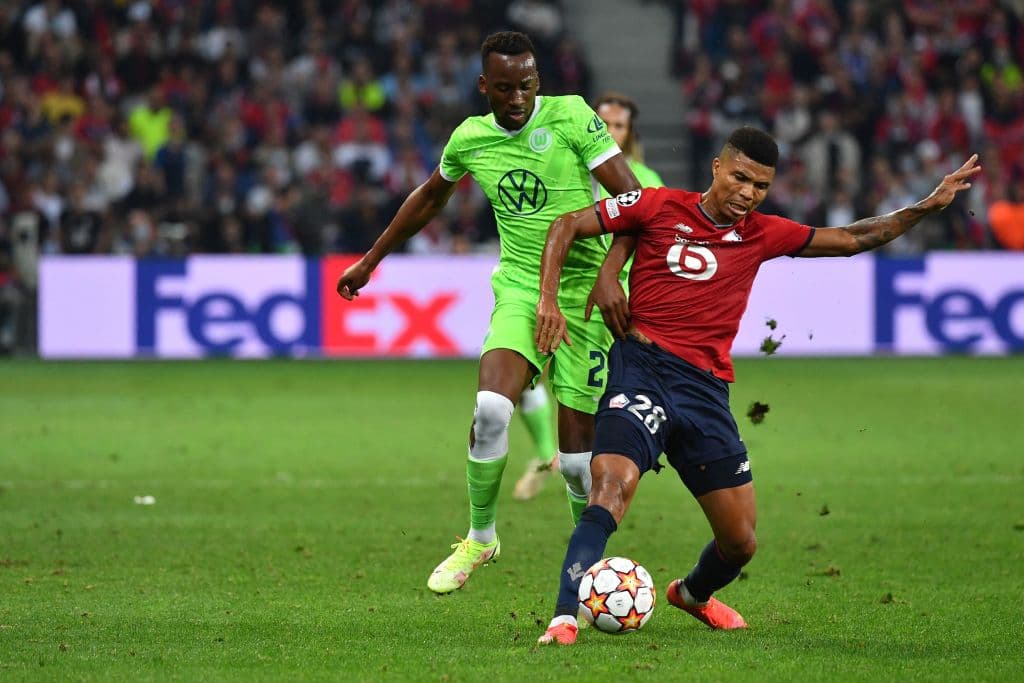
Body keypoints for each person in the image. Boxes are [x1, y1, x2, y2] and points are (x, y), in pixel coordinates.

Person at [532, 127, 980, 644]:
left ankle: (692, 594)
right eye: (741, 178)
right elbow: (565, 225)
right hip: (643, 368)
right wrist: (550, 299)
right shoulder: (657, 205)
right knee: (609, 488)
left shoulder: (762, 232)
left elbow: (855, 238)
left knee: (741, 542)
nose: (747, 193)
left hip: (706, 392)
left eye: (760, 186)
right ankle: (565, 618)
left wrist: (926, 205)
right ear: (717, 169)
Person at [335, 31, 640, 594]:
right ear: (484, 86)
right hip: (524, 288)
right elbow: (429, 197)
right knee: (491, 408)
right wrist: (370, 261)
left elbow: (632, 201)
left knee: (576, 467)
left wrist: (608, 277)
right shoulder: (470, 139)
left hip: (586, 299)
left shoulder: (572, 117)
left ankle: (591, 568)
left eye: (526, 85)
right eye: (504, 87)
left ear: (538, 81)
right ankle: (480, 536)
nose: (517, 97)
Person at [512, 91, 663, 502]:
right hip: (557, 294)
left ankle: (594, 475)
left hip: (612, 304)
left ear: (629, 134)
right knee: (521, 375)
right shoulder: (565, 167)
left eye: (619, 126)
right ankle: (548, 455)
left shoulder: (645, 182)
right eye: (605, 123)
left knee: (593, 401)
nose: (611, 131)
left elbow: (654, 243)